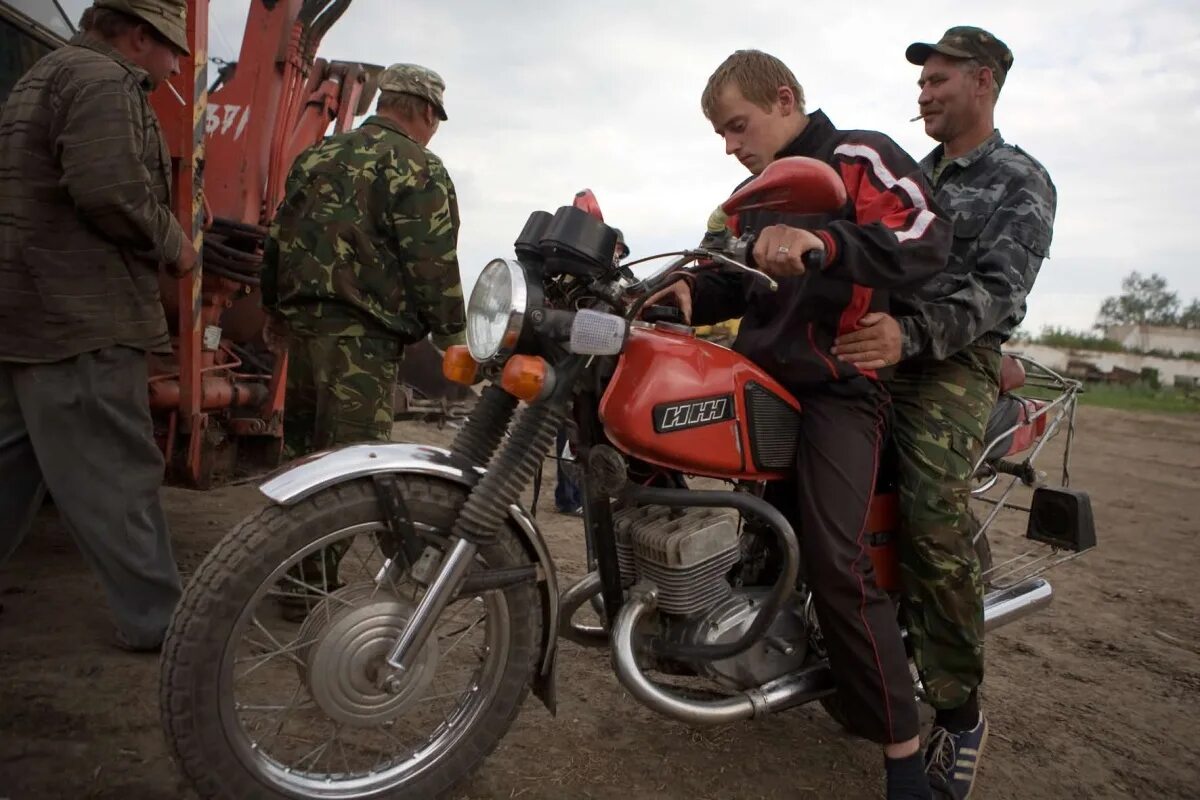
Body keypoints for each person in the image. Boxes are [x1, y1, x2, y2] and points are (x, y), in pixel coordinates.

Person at [652, 50, 952, 800]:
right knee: (730, 523)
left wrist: (828, 244)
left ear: (783, 99)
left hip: (836, 390)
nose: (729, 144)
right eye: (721, 133)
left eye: (737, 125)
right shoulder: (751, 194)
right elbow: (730, 271)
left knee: (834, 561)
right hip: (760, 384)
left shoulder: (856, 157)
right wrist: (685, 289)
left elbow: (924, 233)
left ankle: (903, 751)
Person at [831, 27, 1057, 798]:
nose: (922, 92)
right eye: (922, 82)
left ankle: (959, 714)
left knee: (930, 517)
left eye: (938, 80)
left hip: (950, 361)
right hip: (875, 345)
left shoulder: (1021, 180)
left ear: (983, 81)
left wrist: (911, 334)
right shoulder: (910, 174)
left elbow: (998, 289)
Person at [0, 0, 196, 652]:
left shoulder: (41, 76)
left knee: (11, 468)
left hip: (24, 314)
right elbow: (110, 189)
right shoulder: (105, 81)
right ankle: (160, 623)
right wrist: (176, 244)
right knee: (117, 472)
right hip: (82, 315)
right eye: (172, 49)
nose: (176, 65)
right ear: (138, 38)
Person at [261, 63, 466, 617]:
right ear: (424, 111)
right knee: (352, 466)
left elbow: (278, 236)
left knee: (303, 459)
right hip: (362, 339)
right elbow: (432, 263)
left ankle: (286, 578)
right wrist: (454, 337)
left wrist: (273, 311)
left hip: (304, 326)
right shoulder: (418, 168)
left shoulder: (318, 155)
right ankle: (307, 592)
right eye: (435, 120)